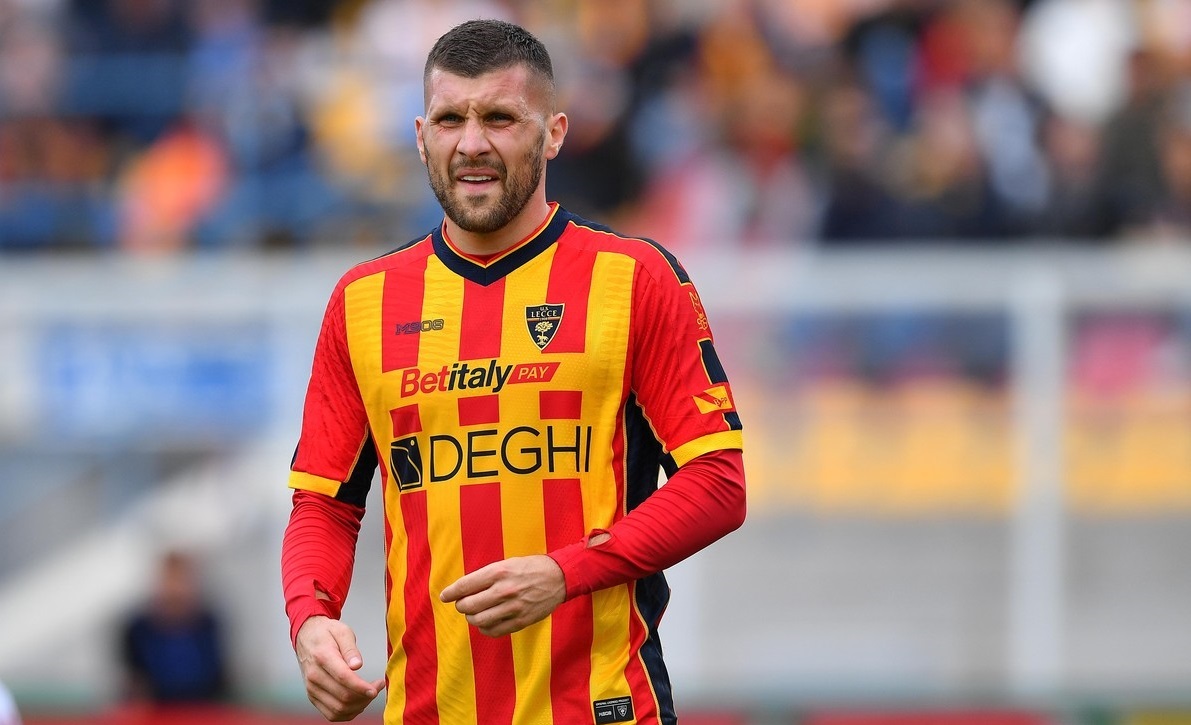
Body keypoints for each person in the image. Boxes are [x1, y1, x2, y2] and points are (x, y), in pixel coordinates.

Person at [280, 19, 746, 725]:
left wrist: (567, 572)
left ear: (553, 132)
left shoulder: (635, 279)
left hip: (602, 708)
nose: (471, 143)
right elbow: (324, 502)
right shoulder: (363, 302)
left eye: (500, 117)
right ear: (419, 135)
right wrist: (311, 618)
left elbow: (718, 482)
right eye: (449, 119)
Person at [120, 550, 229, 704]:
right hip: (157, 713)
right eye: (172, 579)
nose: (177, 588)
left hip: (202, 711)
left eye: (182, 579)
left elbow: (219, 677)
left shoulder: (208, 624)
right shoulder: (138, 629)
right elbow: (135, 681)